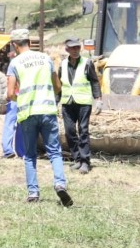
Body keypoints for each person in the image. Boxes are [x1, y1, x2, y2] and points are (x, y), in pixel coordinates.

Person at [6, 28, 73, 207]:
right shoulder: (45, 58)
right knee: (54, 151)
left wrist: (18, 98)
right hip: (47, 110)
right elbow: (57, 86)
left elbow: (10, 92)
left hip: (28, 113)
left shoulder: (15, 63)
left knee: (29, 155)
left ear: (14, 44)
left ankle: (33, 193)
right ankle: (60, 184)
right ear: (29, 41)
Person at [57, 37, 102, 174]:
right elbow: (59, 85)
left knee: (83, 131)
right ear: (67, 49)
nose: (76, 50)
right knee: (70, 132)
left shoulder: (87, 63)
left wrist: (98, 99)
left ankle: (85, 162)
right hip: (68, 103)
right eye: (73, 48)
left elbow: (94, 82)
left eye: (78, 47)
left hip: (83, 103)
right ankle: (77, 159)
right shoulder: (62, 65)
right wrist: (55, 101)